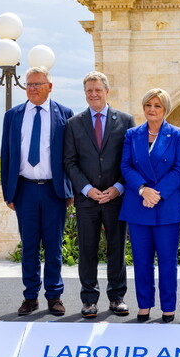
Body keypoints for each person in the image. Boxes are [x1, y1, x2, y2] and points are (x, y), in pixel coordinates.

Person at [0, 66, 74, 317]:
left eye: (37, 84)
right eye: (28, 84)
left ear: (49, 86)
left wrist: (69, 189)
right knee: (29, 246)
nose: (31, 89)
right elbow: (7, 153)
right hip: (25, 190)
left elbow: (70, 156)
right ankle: (30, 297)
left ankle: (54, 296)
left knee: (53, 247)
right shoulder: (13, 116)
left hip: (54, 191)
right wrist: (8, 192)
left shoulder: (65, 114)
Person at [64, 71, 135, 318]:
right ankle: (89, 300)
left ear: (107, 91)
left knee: (116, 248)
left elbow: (131, 160)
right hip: (87, 199)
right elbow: (70, 162)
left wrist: (118, 187)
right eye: (89, 91)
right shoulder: (73, 124)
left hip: (116, 198)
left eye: (97, 90)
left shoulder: (125, 121)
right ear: (85, 94)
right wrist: (86, 189)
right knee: (87, 250)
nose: (93, 94)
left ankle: (117, 298)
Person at [119, 89, 180, 323]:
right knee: (141, 261)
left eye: (157, 105)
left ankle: (168, 308)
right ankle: (144, 305)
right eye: (148, 105)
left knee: (168, 261)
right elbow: (126, 166)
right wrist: (142, 190)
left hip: (165, 207)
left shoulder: (178, 135)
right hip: (139, 205)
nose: (152, 109)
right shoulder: (132, 134)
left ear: (165, 109)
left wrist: (156, 194)